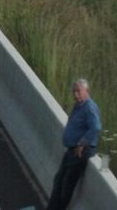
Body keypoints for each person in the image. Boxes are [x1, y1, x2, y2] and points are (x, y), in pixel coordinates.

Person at [46, 78, 102, 210]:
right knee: (59, 180)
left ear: (86, 91)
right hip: (71, 150)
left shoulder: (89, 107)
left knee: (66, 185)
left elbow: (96, 127)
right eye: (74, 91)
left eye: (78, 91)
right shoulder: (79, 106)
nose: (75, 94)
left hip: (80, 152)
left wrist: (82, 143)